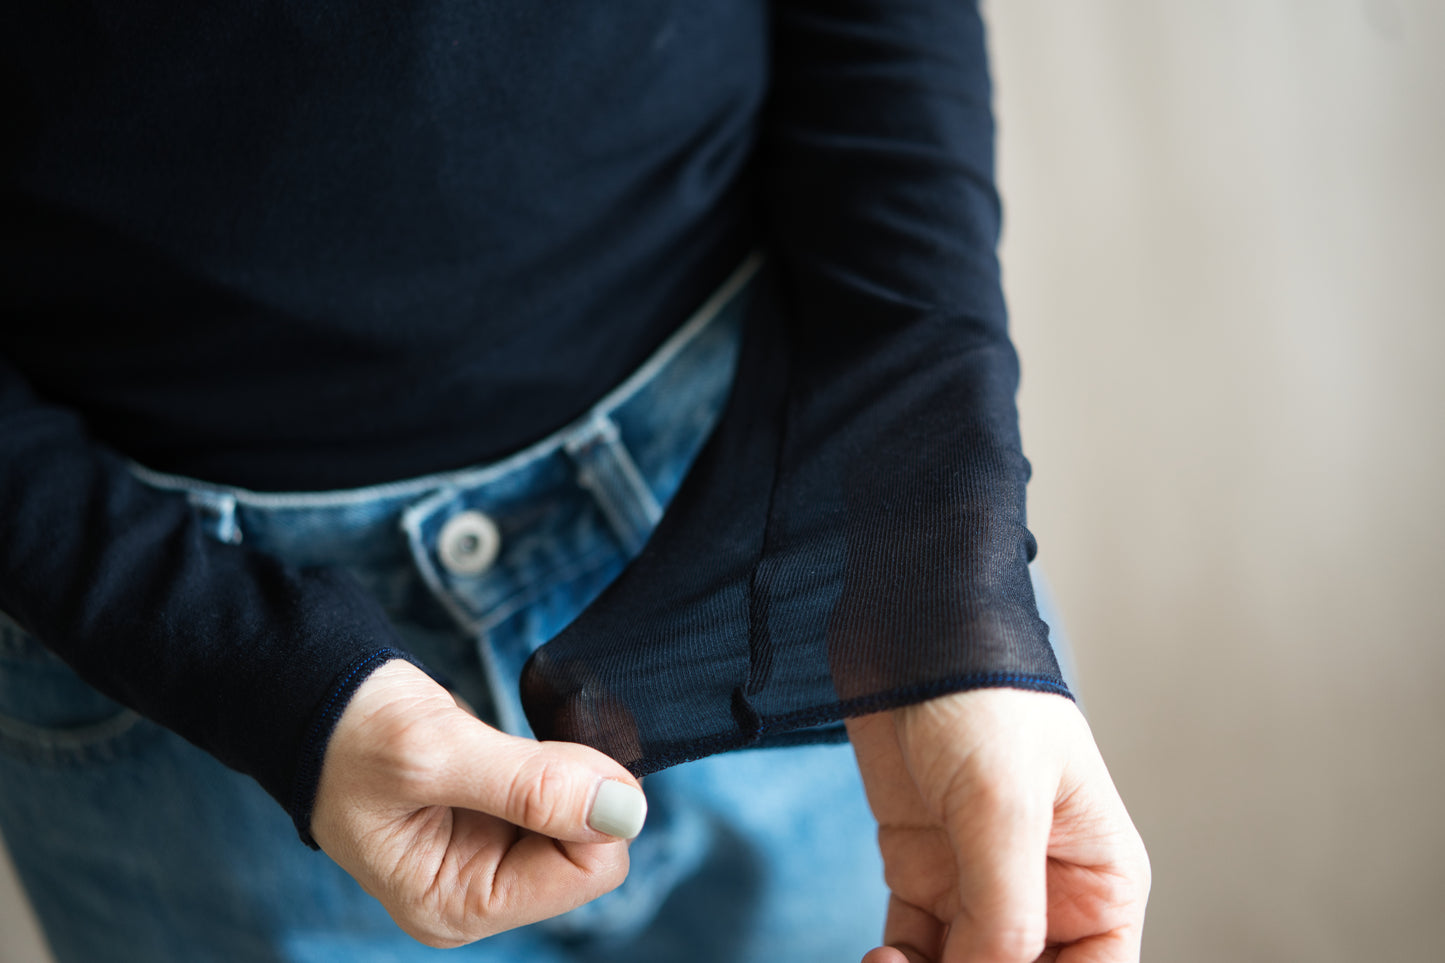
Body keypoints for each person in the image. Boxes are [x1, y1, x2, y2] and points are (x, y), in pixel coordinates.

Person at [0, 2, 1149, 961]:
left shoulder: (911, 581)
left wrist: (934, 551)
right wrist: (254, 679)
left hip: (805, 541)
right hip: (159, 654)